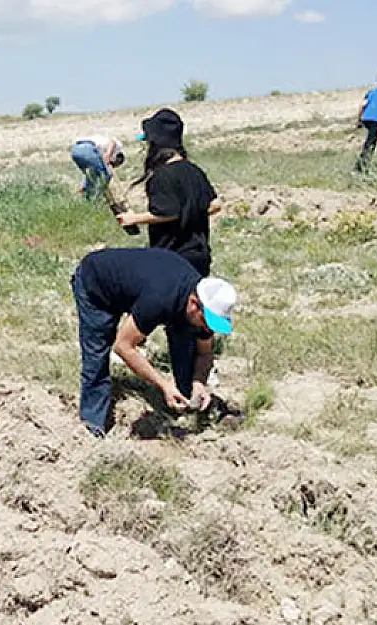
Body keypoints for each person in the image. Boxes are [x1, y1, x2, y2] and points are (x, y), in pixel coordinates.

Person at [71, 247, 238, 438]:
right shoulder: (160, 298)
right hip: (97, 285)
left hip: (140, 288)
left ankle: (183, 402)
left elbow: (205, 352)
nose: (208, 329)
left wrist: (199, 383)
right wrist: (163, 384)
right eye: (207, 322)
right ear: (194, 304)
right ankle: (92, 425)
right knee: (97, 354)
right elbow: (123, 347)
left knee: (186, 343)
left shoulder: (198, 306)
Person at [116, 109, 221, 277]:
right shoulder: (194, 170)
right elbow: (215, 205)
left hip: (172, 257)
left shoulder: (162, 175)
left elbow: (169, 212)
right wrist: (191, 212)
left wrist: (133, 219)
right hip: (200, 256)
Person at [70, 135, 124, 202]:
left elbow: (90, 173)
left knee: (92, 176)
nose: (111, 166)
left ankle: (87, 199)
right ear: (115, 158)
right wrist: (108, 155)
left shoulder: (99, 154)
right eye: (113, 164)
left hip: (75, 150)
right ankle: (97, 200)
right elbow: (113, 142)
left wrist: (84, 185)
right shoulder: (117, 148)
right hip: (88, 148)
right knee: (105, 175)